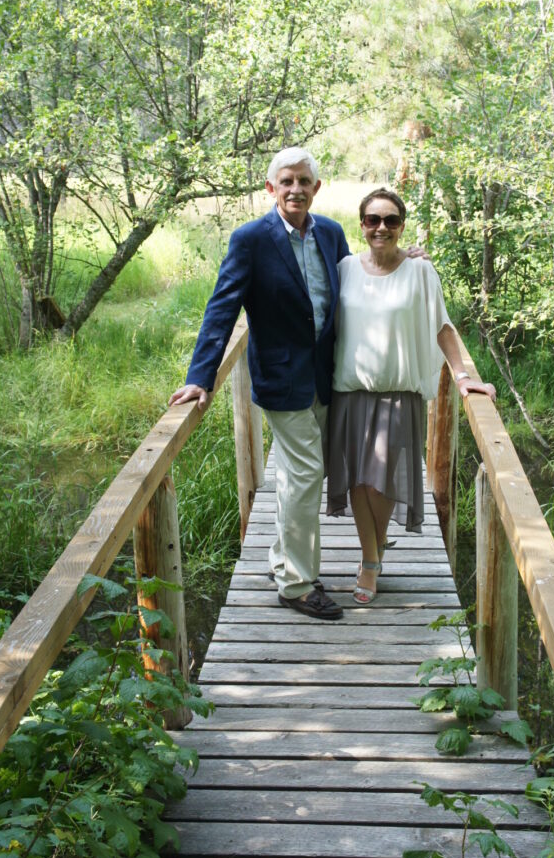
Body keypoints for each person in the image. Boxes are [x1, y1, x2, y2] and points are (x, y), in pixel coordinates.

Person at [169, 147, 349, 621]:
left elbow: (355, 288)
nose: (295, 189)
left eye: (304, 181)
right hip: (280, 378)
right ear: (271, 189)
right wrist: (199, 377)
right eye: (286, 181)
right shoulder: (250, 240)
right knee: (307, 473)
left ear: (316, 188)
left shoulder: (331, 233)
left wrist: (402, 260)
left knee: (300, 473)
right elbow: (221, 309)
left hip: (325, 376)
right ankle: (295, 585)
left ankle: (285, 561)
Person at [327, 188, 496, 604]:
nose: (381, 227)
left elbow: (442, 327)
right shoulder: (345, 268)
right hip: (350, 391)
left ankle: (371, 560)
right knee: (356, 481)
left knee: (380, 480)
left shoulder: (421, 271)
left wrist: (462, 376)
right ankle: (373, 555)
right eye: (372, 220)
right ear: (361, 224)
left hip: (399, 393)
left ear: (402, 225)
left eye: (391, 220)